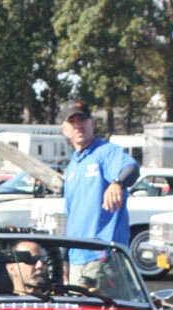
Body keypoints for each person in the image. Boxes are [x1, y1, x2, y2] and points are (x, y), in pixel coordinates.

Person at [57, 100, 139, 289]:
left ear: (92, 123)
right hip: (77, 257)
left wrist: (117, 183)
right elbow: (71, 215)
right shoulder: (73, 165)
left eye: (82, 120)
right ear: (64, 129)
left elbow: (131, 168)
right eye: (73, 122)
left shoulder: (106, 152)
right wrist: (64, 258)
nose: (79, 126)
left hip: (103, 255)